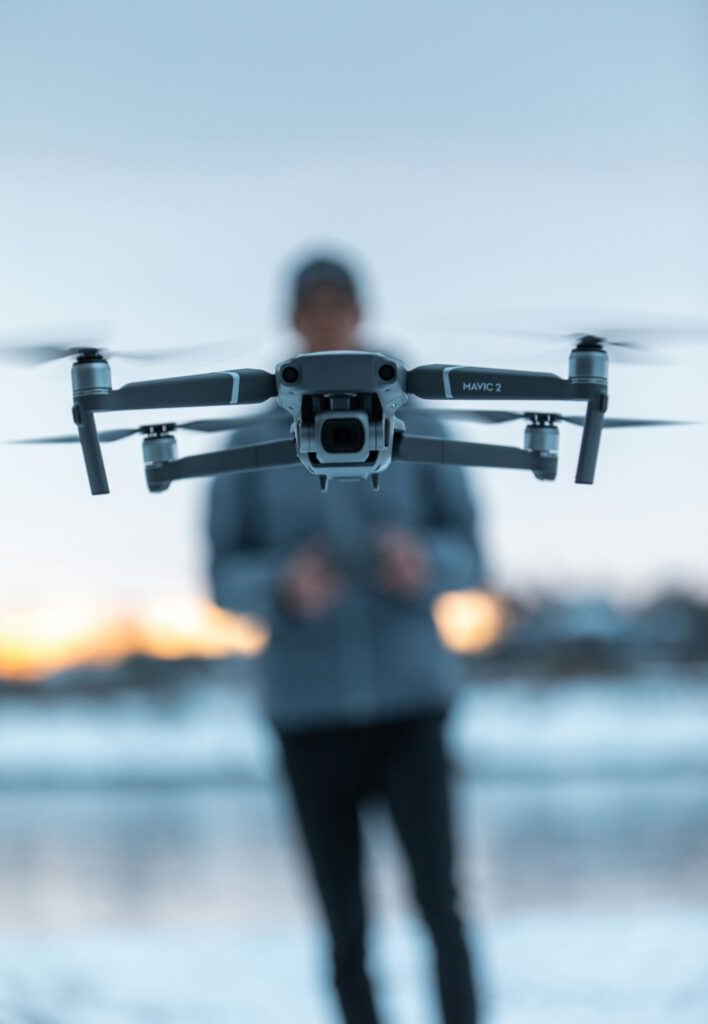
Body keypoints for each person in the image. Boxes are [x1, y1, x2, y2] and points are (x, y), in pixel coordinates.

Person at [208, 254, 484, 1024]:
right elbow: (222, 577)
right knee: (342, 919)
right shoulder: (249, 434)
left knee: (442, 904)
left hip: (411, 707)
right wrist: (282, 588)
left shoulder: (421, 417)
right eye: (313, 308)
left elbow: (472, 553)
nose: (327, 322)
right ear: (293, 319)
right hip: (306, 716)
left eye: (339, 307)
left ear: (360, 313)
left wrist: (422, 563)